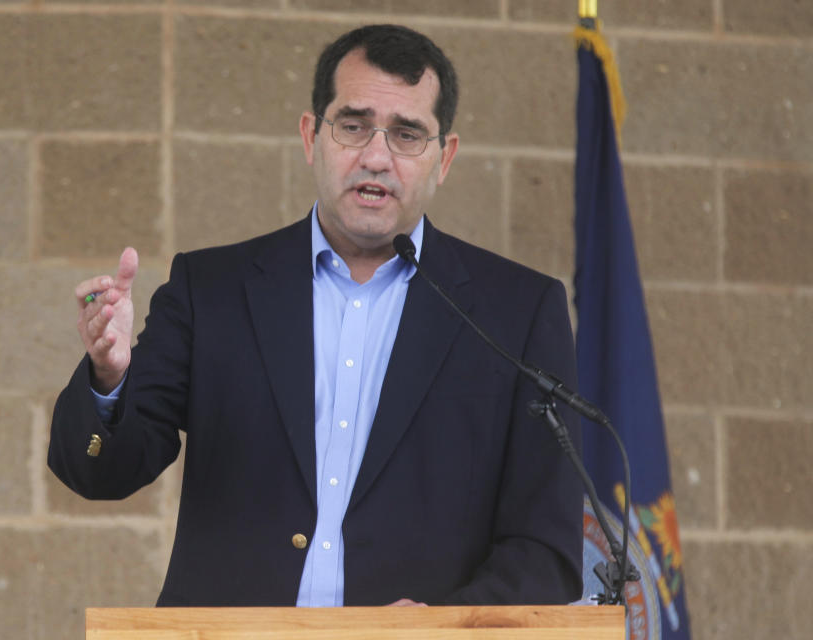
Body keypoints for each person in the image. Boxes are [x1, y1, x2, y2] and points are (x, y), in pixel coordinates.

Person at [49, 24, 583, 607]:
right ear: (311, 137)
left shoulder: (516, 312)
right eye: (353, 127)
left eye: (407, 134)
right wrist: (109, 378)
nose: (376, 157)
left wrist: (443, 627)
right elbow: (102, 474)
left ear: (444, 156)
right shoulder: (213, 289)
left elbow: (546, 550)